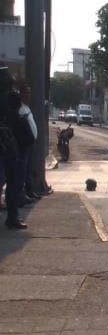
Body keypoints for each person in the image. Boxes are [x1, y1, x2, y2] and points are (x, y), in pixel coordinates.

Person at [0, 79, 26, 229]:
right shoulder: (15, 118)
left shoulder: (7, 116)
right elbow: (26, 138)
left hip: (10, 155)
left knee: (12, 185)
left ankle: (13, 216)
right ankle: (13, 217)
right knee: (14, 186)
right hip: (13, 156)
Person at [18, 83, 39, 201]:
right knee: (24, 169)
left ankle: (30, 191)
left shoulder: (26, 107)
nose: (29, 95)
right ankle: (23, 194)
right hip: (24, 144)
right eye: (26, 93)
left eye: (29, 93)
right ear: (21, 94)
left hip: (31, 143)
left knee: (29, 168)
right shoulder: (20, 108)